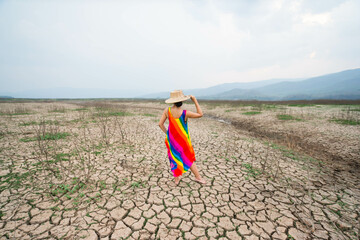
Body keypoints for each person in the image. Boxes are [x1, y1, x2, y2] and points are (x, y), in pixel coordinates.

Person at [158, 90, 206, 185]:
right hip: (183, 141)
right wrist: (195, 100)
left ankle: (176, 179)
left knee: (174, 158)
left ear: (172, 101)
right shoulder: (185, 113)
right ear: (182, 101)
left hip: (172, 140)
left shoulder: (167, 110)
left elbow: (160, 124)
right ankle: (198, 177)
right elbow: (200, 114)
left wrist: (168, 133)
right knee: (188, 158)